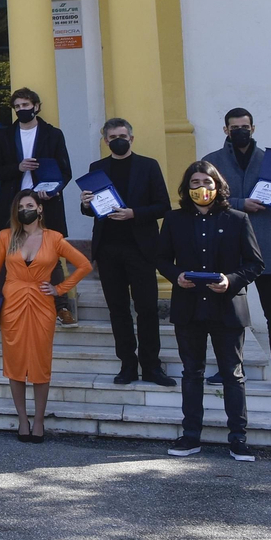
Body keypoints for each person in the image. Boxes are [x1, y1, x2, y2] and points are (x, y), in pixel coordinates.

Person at [159, 162, 263, 461]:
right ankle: (191, 436)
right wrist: (175, 275)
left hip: (227, 308)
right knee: (192, 373)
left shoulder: (238, 219)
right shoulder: (174, 219)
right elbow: (162, 258)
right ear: (186, 187)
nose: (201, 187)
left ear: (218, 185)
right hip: (189, 307)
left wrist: (230, 280)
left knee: (233, 373)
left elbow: (255, 263)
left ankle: (238, 439)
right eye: (194, 181)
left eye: (206, 181)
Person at [0, 188, 92, 441]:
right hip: (12, 304)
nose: (24, 211)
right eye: (20, 208)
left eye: (29, 206)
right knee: (15, 363)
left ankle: (39, 420)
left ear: (40, 209)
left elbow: (84, 265)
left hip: (42, 304)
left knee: (40, 363)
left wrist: (60, 288)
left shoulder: (55, 238)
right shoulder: (6, 236)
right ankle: (22, 420)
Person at [202, 108, 271, 391]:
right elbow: (206, 200)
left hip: (266, 246)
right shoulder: (212, 162)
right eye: (234, 127)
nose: (240, 131)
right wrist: (240, 202)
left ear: (253, 128)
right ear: (226, 131)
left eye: (245, 126)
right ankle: (228, 367)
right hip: (229, 247)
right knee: (228, 313)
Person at [79, 118, 174, 387]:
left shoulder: (148, 165)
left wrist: (134, 213)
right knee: (117, 309)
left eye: (122, 135)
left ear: (131, 138)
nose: (117, 140)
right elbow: (89, 210)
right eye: (112, 137)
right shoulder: (97, 169)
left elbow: (163, 206)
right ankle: (127, 364)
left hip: (141, 248)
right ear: (105, 141)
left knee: (147, 309)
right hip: (108, 248)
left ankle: (152, 366)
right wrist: (85, 204)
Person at [0, 87, 76, 325]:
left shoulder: (53, 134)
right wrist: (18, 167)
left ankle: (61, 307)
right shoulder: (4, 135)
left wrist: (52, 190)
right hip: (13, 203)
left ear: (36, 106)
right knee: (9, 255)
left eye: (26, 106)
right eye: (17, 107)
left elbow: (65, 171)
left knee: (52, 257)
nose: (21, 110)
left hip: (46, 204)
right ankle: (4, 307)